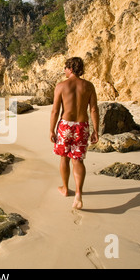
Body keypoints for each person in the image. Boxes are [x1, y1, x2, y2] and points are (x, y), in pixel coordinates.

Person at [49, 57, 99, 210]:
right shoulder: (89, 86)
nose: (64, 70)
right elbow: (93, 109)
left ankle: (65, 189)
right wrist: (96, 130)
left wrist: (51, 129)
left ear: (70, 68)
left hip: (65, 125)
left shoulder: (61, 86)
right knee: (78, 160)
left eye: (65, 68)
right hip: (82, 126)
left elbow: (55, 110)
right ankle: (78, 193)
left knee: (64, 158)